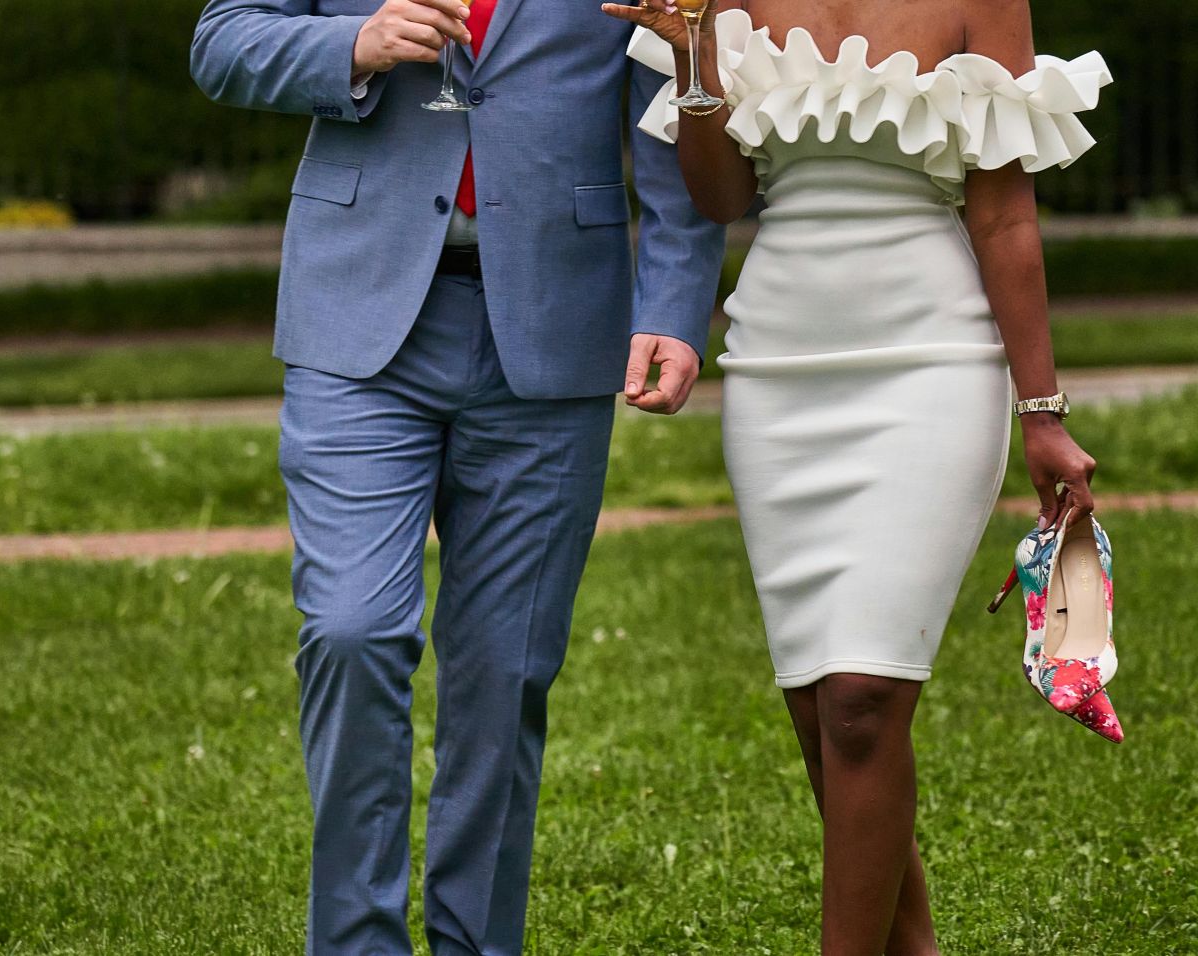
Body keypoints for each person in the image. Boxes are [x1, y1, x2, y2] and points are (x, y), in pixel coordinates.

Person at [189, 1, 727, 952]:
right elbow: (222, 38)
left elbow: (673, 99)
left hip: (555, 323)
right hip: (356, 321)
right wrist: (350, 44)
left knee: (504, 672)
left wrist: (678, 300)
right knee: (352, 630)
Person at [601, 0, 1109, 950]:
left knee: (863, 701)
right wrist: (697, 58)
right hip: (779, 371)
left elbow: (1002, 212)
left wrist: (1042, 413)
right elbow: (720, 197)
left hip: (933, 362)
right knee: (819, 712)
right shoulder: (718, 2)